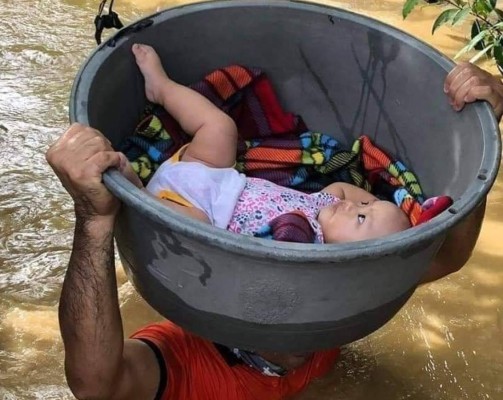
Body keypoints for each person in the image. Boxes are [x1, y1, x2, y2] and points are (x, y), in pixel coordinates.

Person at [46, 58, 503, 400]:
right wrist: (95, 217)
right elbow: (96, 386)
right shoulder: (189, 359)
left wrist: (484, 129)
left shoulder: (334, 305)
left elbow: (446, 255)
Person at [122, 44, 410, 244]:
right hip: (209, 171)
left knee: (197, 229)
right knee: (221, 128)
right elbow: (342, 190)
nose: (351, 207)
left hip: (195, 212)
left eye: (361, 218)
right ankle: (162, 88)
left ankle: (135, 193)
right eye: (364, 205)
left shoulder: (308, 243)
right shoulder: (325, 204)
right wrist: (369, 202)